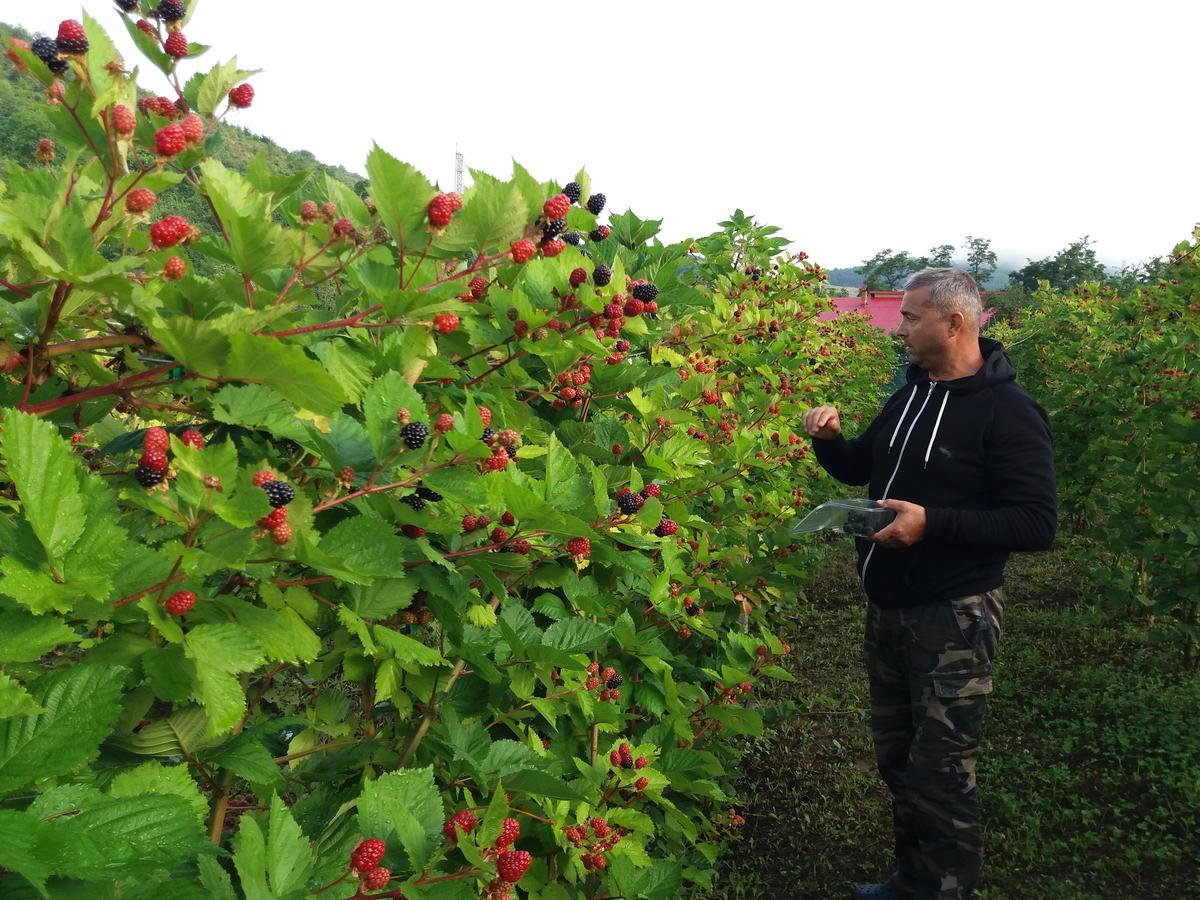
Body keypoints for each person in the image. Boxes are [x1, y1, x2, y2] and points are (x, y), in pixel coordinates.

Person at [802, 267, 1057, 900]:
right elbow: (866, 465)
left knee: (940, 773)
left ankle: (944, 890)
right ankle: (911, 882)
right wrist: (830, 442)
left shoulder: (1009, 413)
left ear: (955, 322)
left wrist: (931, 525)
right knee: (899, 762)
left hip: (953, 617)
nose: (900, 328)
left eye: (911, 317)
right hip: (889, 608)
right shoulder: (912, 393)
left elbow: (1035, 522)